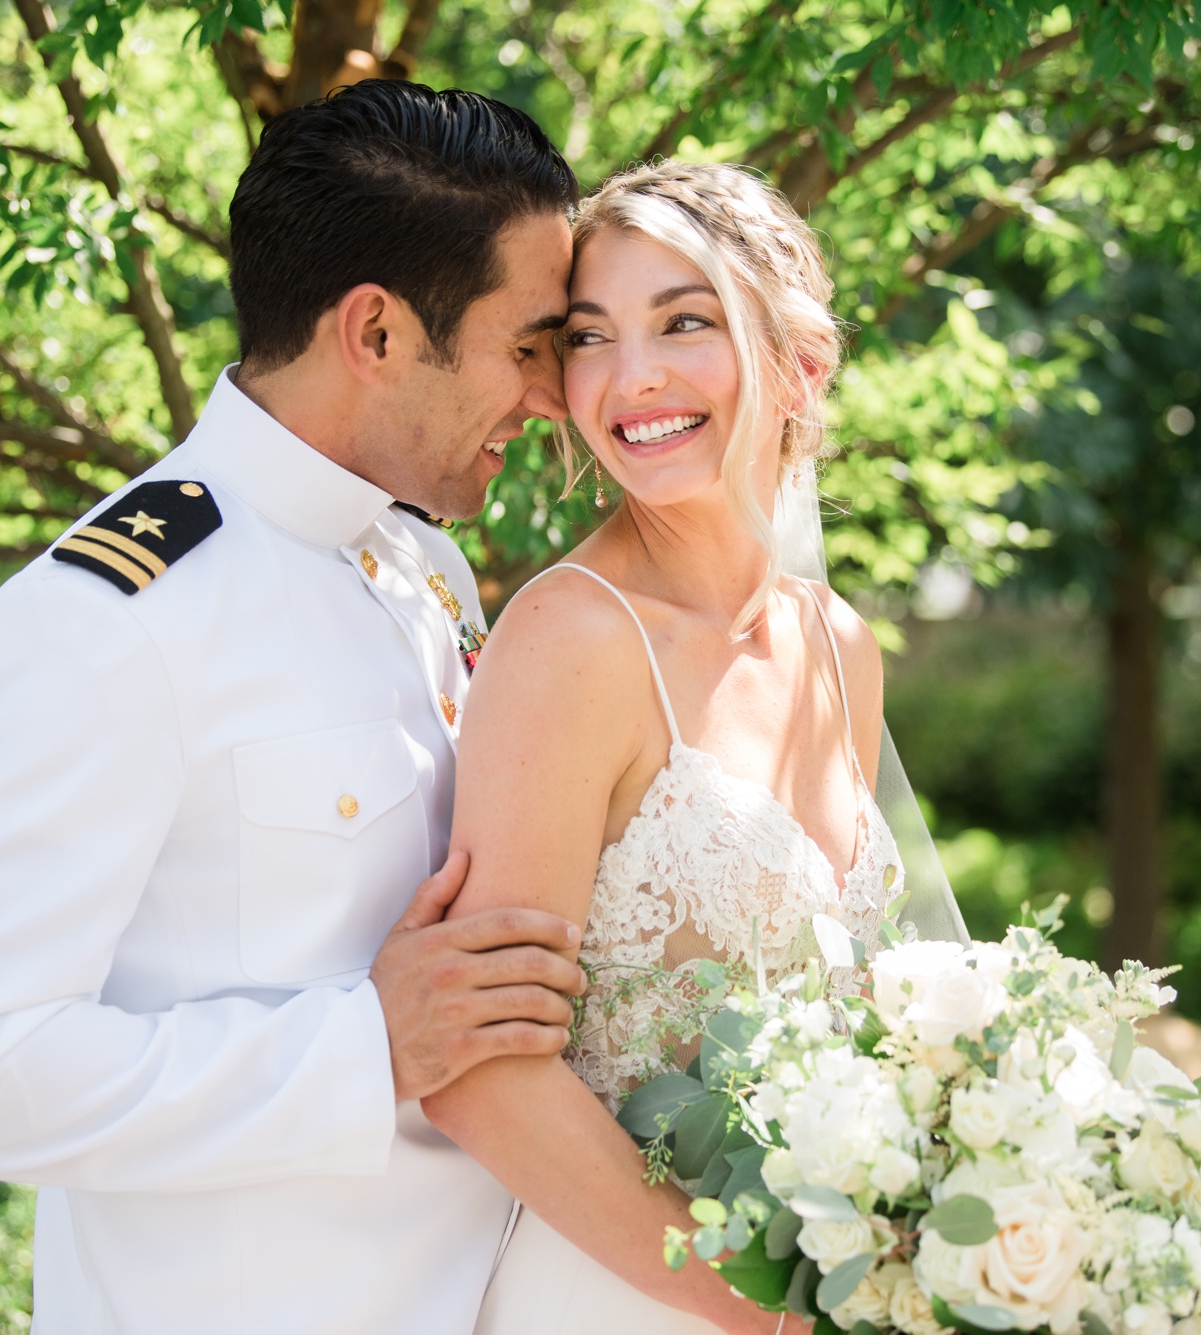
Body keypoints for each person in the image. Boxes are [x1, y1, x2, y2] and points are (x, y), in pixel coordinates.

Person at [0, 82, 592, 1334]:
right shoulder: (106, 622)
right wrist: (362, 1046)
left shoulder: (427, 571)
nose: (551, 396)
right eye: (527, 344)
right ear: (373, 332)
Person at [423, 162, 911, 1335]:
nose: (630, 377)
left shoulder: (836, 645)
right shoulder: (569, 641)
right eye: (589, 338)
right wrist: (765, 1314)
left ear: (799, 361)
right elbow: (481, 1079)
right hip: (622, 1296)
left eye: (684, 321)